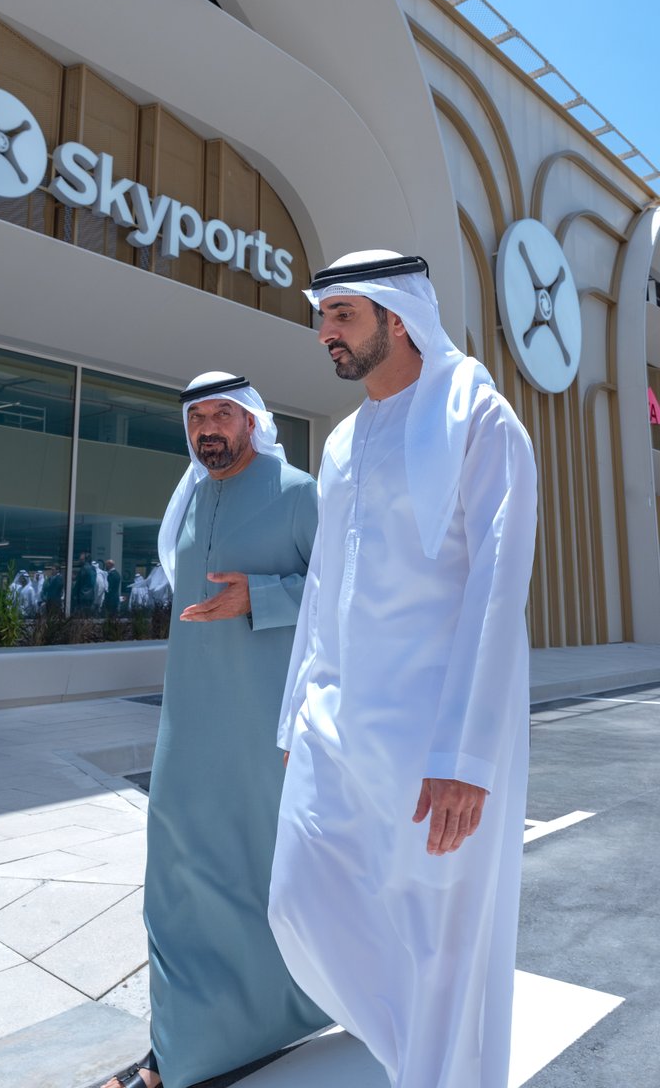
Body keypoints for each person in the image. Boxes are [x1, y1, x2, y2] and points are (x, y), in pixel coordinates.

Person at [268, 251, 537, 1088]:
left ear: (398, 317)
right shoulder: (344, 441)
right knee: (297, 900)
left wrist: (466, 759)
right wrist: (295, 711)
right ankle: (411, 1055)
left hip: (435, 733)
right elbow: (323, 586)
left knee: (441, 949)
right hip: (340, 717)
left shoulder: (484, 422)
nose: (327, 335)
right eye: (323, 318)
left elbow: (498, 593)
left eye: (342, 315)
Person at [100, 372, 328, 1088]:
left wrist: (259, 597)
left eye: (222, 413)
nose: (208, 428)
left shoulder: (298, 493)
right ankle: (176, 1046)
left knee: (259, 879)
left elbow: (341, 592)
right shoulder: (192, 497)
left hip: (264, 733)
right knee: (173, 882)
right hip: (189, 726)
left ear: (253, 420)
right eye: (197, 416)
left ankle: (278, 1015)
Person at [71, 552, 97, 616]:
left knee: (82, 616)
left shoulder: (84, 568)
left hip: (83, 596)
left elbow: (79, 583)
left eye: (81, 559)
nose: (80, 561)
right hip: (91, 595)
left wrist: (73, 593)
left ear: (86, 559)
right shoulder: (93, 569)